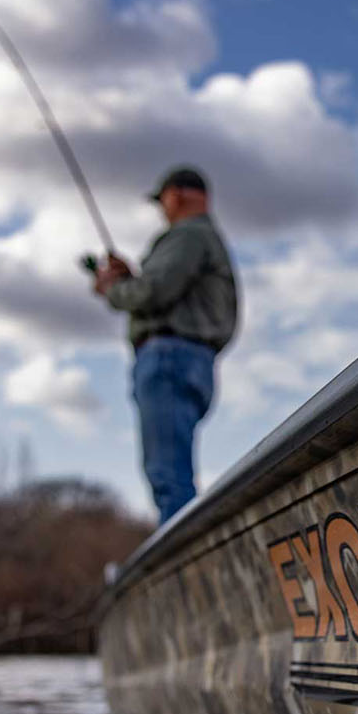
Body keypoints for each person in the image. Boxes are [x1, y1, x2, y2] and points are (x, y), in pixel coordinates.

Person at [93, 165, 238, 524]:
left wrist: (113, 289)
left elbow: (151, 293)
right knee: (172, 473)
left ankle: (185, 570)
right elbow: (164, 287)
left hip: (169, 359)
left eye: (163, 200)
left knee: (168, 477)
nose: (162, 209)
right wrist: (131, 277)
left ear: (177, 194)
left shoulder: (188, 236)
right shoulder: (203, 240)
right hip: (191, 361)